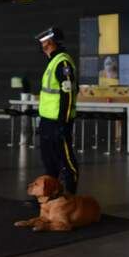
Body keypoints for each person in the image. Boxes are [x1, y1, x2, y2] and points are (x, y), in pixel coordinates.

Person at [34, 26, 80, 194]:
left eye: (44, 41)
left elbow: (68, 94)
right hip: (47, 121)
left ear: (51, 42)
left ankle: (70, 195)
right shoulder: (53, 62)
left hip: (59, 122)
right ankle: (51, 196)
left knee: (65, 160)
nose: (41, 44)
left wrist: (64, 121)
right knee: (49, 161)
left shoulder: (63, 62)